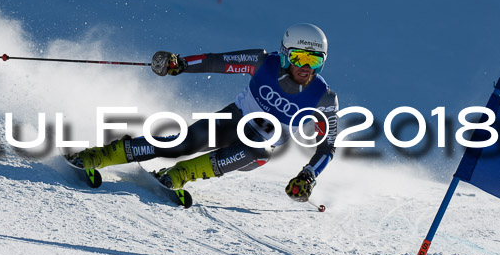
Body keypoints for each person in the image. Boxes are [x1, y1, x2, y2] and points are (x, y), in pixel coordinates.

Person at [69, 23, 339, 202]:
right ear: (284, 54)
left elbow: (327, 147)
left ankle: (181, 174)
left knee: (260, 150)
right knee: (182, 143)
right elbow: (216, 61)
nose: (306, 67)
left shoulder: (323, 98)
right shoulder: (262, 62)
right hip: (232, 120)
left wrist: (307, 176)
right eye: (299, 58)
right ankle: (99, 156)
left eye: (315, 60)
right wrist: (181, 63)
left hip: (254, 150)